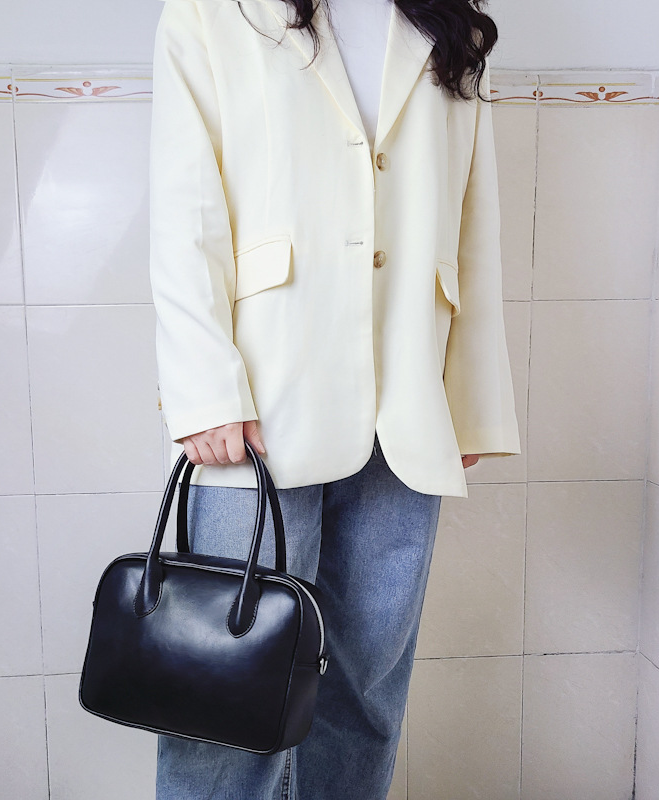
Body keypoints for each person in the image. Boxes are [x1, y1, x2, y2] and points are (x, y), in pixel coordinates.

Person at [148, 0, 520, 796]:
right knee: (229, 696)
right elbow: (185, 205)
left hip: (410, 400)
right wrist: (203, 387)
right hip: (259, 407)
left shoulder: (451, 19)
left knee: (365, 695)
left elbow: (474, 215)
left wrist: (471, 398)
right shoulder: (213, 10)